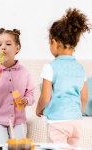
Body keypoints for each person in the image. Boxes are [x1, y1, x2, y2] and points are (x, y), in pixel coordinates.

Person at [36, 8, 91, 146]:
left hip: (57, 122)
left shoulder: (50, 67)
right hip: (76, 122)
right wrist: (76, 112)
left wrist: (38, 109)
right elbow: (84, 97)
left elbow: (45, 97)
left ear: (54, 42)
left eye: (49, 43)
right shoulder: (80, 68)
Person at [0, 28, 35, 144]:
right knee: (2, 146)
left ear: (17, 48)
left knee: (21, 146)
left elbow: (31, 93)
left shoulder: (24, 72)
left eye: (8, 44)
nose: (3, 47)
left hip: (18, 121)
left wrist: (26, 100)